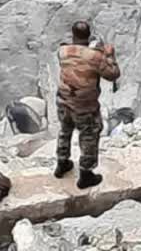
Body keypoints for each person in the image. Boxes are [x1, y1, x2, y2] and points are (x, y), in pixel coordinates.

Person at [54, 21, 121, 189]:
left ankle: (62, 163)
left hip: (63, 101)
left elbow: (75, 55)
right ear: (89, 36)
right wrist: (109, 56)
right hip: (84, 106)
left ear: (73, 35)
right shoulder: (95, 57)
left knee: (65, 130)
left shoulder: (62, 51)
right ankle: (86, 174)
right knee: (89, 135)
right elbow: (113, 75)